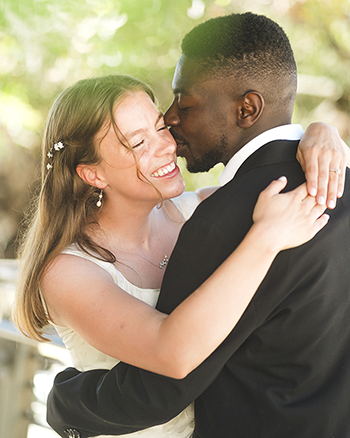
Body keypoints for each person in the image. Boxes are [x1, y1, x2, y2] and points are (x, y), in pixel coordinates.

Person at [43, 12, 350, 438]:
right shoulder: (69, 269)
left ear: (247, 108)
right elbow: (169, 354)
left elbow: (162, 381)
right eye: (138, 142)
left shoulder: (210, 217)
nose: (168, 131)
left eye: (162, 121)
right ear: (91, 173)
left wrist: (63, 404)